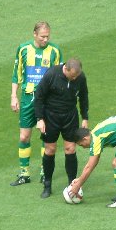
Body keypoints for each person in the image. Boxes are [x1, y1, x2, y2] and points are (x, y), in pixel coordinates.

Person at [10, 21, 63, 187]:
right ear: (34, 34)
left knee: (45, 136)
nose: (45, 39)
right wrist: (14, 96)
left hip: (47, 100)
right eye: (42, 37)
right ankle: (24, 173)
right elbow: (16, 74)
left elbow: (59, 77)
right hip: (27, 99)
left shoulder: (55, 51)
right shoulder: (23, 49)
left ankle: (43, 170)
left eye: (47, 36)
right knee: (24, 136)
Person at [34, 58, 89, 198]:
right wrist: (40, 119)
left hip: (70, 116)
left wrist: (85, 117)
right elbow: (39, 96)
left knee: (70, 149)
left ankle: (72, 184)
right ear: (66, 69)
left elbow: (83, 97)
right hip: (50, 116)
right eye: (72, 76)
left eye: (76, 76)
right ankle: (47, 184)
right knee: (50, 150)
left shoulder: (80, 77)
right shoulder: (51, 74)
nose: (75, 78)